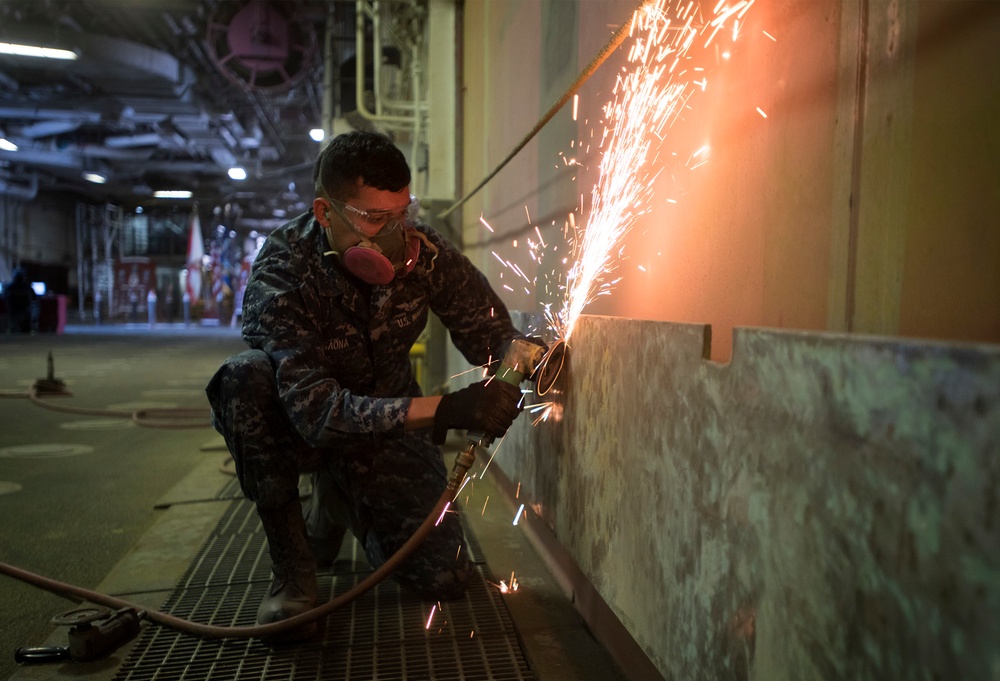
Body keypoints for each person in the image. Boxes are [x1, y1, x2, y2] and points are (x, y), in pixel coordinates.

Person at [206, 130, 538, 642]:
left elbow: (489, 332)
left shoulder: (423, 254)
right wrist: (448, 409)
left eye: (401, 213)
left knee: (443, 576)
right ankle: (293, 567)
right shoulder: (283, 272)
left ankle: (339, 497)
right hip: (305, 430)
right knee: (243, 378)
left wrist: (528, 355)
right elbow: (315, 412)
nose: (394, 234)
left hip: (385, 427)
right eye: (375, 219)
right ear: (325, 213)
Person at [2, 268, 36, 334]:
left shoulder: (8, 288)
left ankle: (12, 330)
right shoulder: (28, 288)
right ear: (23, 278)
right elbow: (34, 298)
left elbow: (4, 298)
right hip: (25, 311)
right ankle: (27, 332)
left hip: (12, 311)